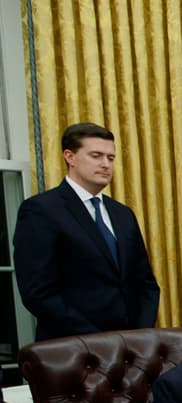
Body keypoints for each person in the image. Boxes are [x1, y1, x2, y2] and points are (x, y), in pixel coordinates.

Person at [13, 122, 160, 341]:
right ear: (70, 157)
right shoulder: (41, 210)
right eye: (96, 156)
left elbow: (146, 283)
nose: (105, 164)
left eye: (110, 158)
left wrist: (138, 335)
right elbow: (38, 292)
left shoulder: (122, 214)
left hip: (132, 347)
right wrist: (97, 339)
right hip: (73, 348)